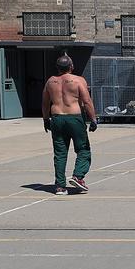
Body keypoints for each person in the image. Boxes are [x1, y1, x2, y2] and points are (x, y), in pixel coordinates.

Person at [41, 54, 97, 196]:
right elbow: (87, 101)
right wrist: (93, 119)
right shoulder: (78, 80)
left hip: (57, 118)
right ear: (71, 66)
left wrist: (46, 119)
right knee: (83, 149)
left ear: (58, 68)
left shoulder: (50, 82)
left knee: (60, 153)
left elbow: (45, 103)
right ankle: (78, 176)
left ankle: (60, 186)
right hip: (74, 118)